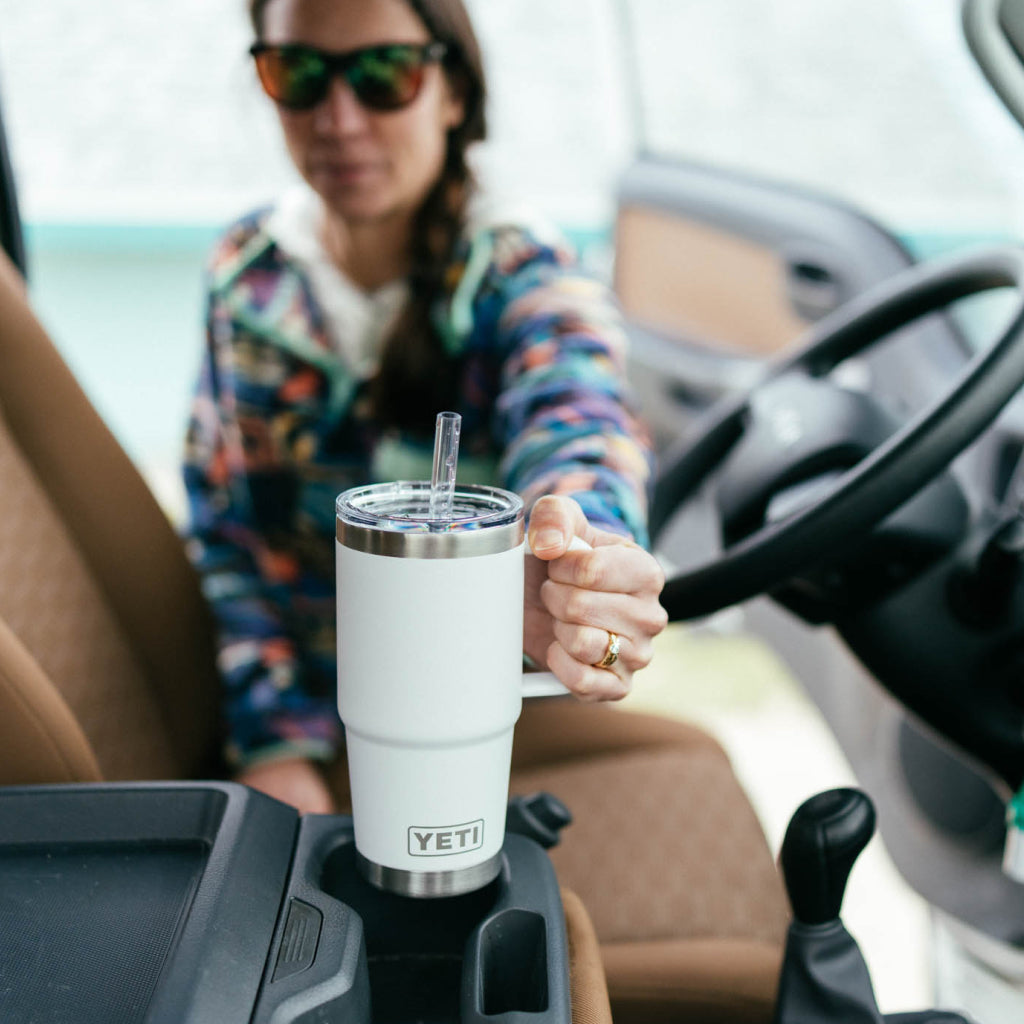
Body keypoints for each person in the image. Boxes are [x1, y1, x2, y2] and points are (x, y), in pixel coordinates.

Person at [183, 0, 668, 815]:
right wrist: (278, 743)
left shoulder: (527, 276)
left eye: (385, 74)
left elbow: (581, 425)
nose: (339, 120)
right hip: (310, 715)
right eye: (298, 73)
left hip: (471, 710)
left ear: (454, 92)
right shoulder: (247, 277)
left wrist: (586, 563)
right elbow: (228, 530)